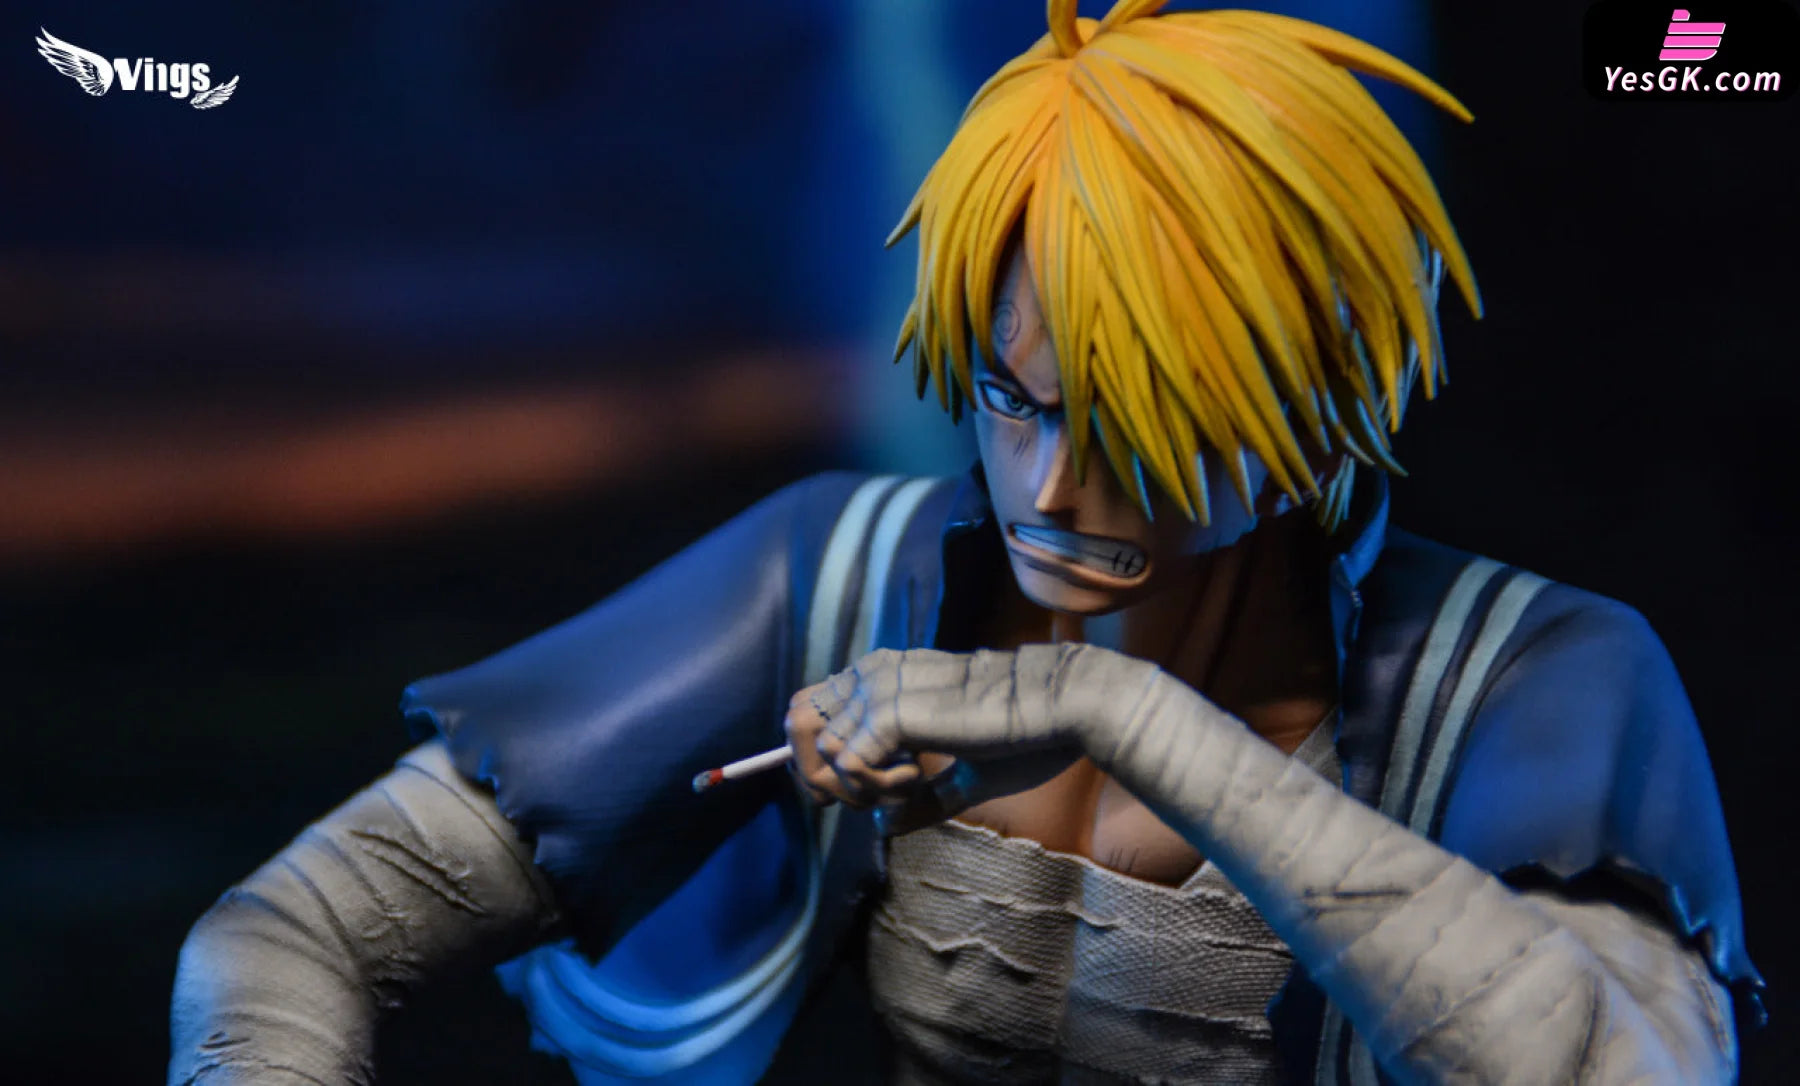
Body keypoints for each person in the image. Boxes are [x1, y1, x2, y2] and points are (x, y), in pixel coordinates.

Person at [170, 3, 1761, 1083]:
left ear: (1318, 400)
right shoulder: (837, 578)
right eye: (1011, 401)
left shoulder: (1527, 676)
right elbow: (291, 928)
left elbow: (1626, 1068)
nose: (1049, 487)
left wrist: (1119, 709)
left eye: (1133, 426)